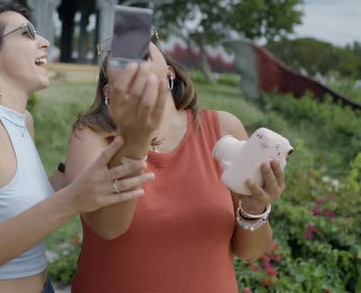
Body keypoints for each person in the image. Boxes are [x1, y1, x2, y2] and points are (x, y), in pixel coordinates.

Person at [0, 0, 155, 293]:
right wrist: (72, 199)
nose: (45, 42)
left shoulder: (23, 120)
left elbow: (16, 204)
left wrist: (69, 175)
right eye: (27, 34)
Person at [65, 38, 287, 292]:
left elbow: (251, 252)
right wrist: (135, 140)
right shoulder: (91, 136)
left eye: (144, 45)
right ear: (109, 91)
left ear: (169, 71)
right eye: (115, 55)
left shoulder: (223, 128)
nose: (130, 49)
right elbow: (108, 228)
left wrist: (255, 207)